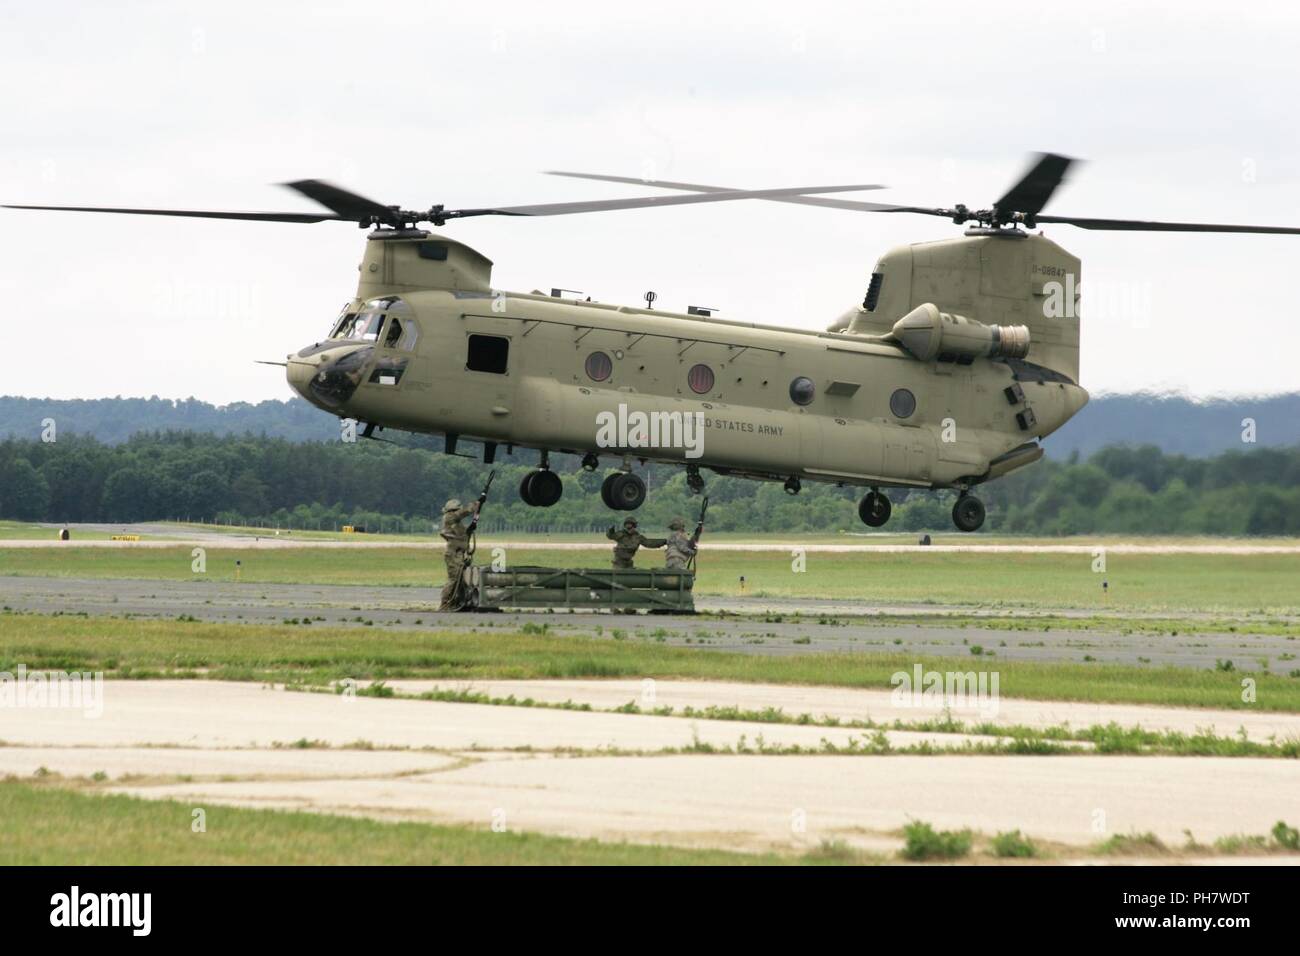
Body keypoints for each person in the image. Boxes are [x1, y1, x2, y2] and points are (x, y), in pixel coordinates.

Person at [439, 497, 479, 609]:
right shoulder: (449, 517)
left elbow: (462, 536)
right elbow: (462, 513)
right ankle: (445, 603)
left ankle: (458, 602)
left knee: (462, 580)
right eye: (457, 509)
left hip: (459, 554)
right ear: (452, 510)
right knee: (454, 579)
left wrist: (470, 529)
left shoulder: (456, 523)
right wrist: (474, 506)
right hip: (453, 554)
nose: (458, 511)